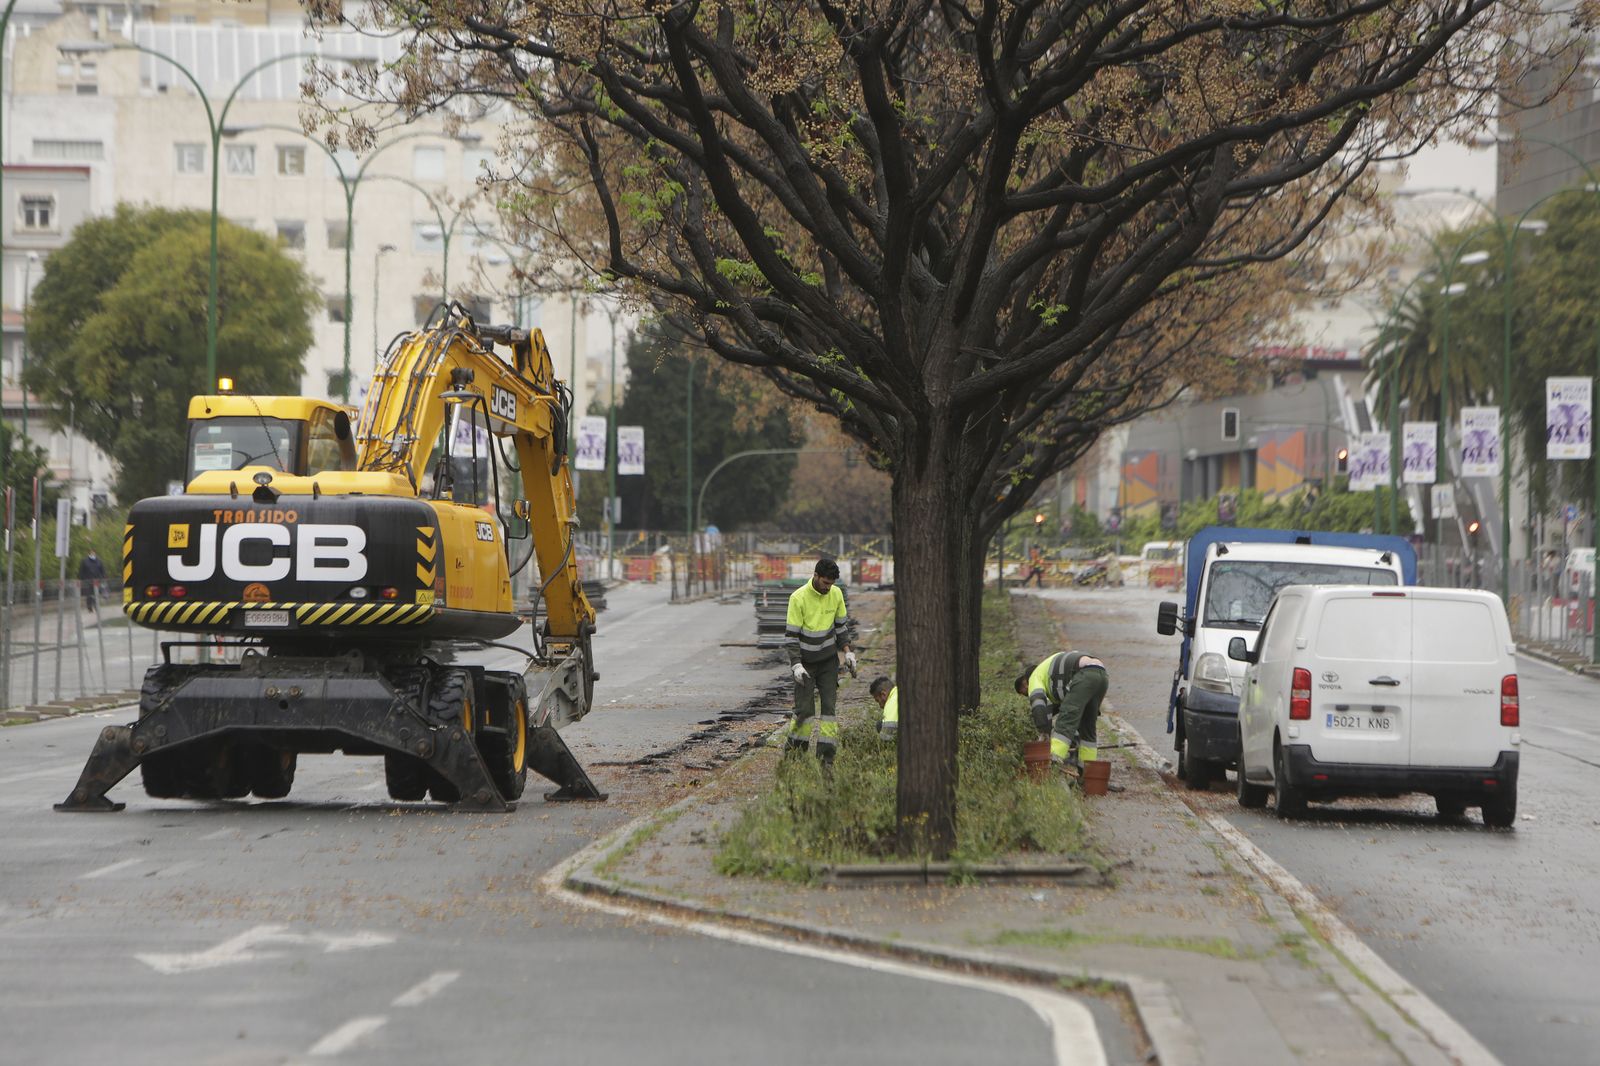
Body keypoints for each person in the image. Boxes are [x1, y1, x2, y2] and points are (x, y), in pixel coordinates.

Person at [781, 558, 854, 761]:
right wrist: (796, 665)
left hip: (828, 662)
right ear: (815, 576)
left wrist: (848, 652)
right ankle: (795, 755)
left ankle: (826, 758)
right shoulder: (798, 598)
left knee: (829, 711)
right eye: (825, 583)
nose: (828, 588)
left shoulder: (836, 594)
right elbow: (792, 636)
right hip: (804, 664)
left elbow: (840, 628)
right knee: (805, 712)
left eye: (831, 584)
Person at [1015, 651, 1108, 774]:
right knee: (1087, 729)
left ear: (1025, 683)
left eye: (1025, 692)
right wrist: (1045, 727)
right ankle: (1087, 774)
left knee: (1065, 722)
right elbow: (1050, 709)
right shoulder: (1052, 676)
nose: (1027, 694)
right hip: (1101, 675)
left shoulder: (1034, 678)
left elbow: (1039, 705)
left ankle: (1051, 763)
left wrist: (1043, 733)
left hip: (1085, 674)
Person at [869, 675, 898, 740]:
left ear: (883, 695)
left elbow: (886, 737)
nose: (880, 706)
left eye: (878, 701)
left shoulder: (891, 704)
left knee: (880, 725)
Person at [78, 549, 106, 614]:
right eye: (91, 552)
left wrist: (102, 578)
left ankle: (96, 606)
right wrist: (81, 579)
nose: (92, 553)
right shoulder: (85, 561)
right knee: (89, 595)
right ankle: (89, 607)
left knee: (96, 594)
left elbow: (103, 571)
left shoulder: (99, 561)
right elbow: (81, 571)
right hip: (87, 581)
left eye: (93, 552)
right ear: (89, 553)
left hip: (97, 581)